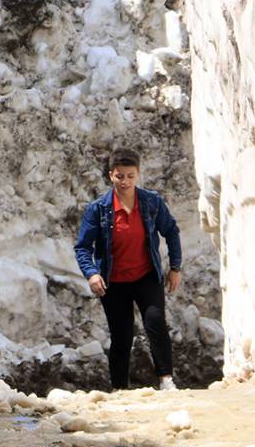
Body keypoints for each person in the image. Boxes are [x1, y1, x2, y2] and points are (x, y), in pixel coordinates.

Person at [74, 148, 183, 391]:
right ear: (111, 175)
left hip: (146, 276)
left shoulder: (151, 202)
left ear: (138, 175)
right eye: (120, 176)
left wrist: (175, 267)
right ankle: (119, 389)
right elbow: (82, 247)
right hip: (114, 281)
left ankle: (166, 380)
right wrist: (92, 273)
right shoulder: (98, 209)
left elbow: (171, 231)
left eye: (131, 176)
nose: (125, 181)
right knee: (121, 335)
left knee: (156, 324)